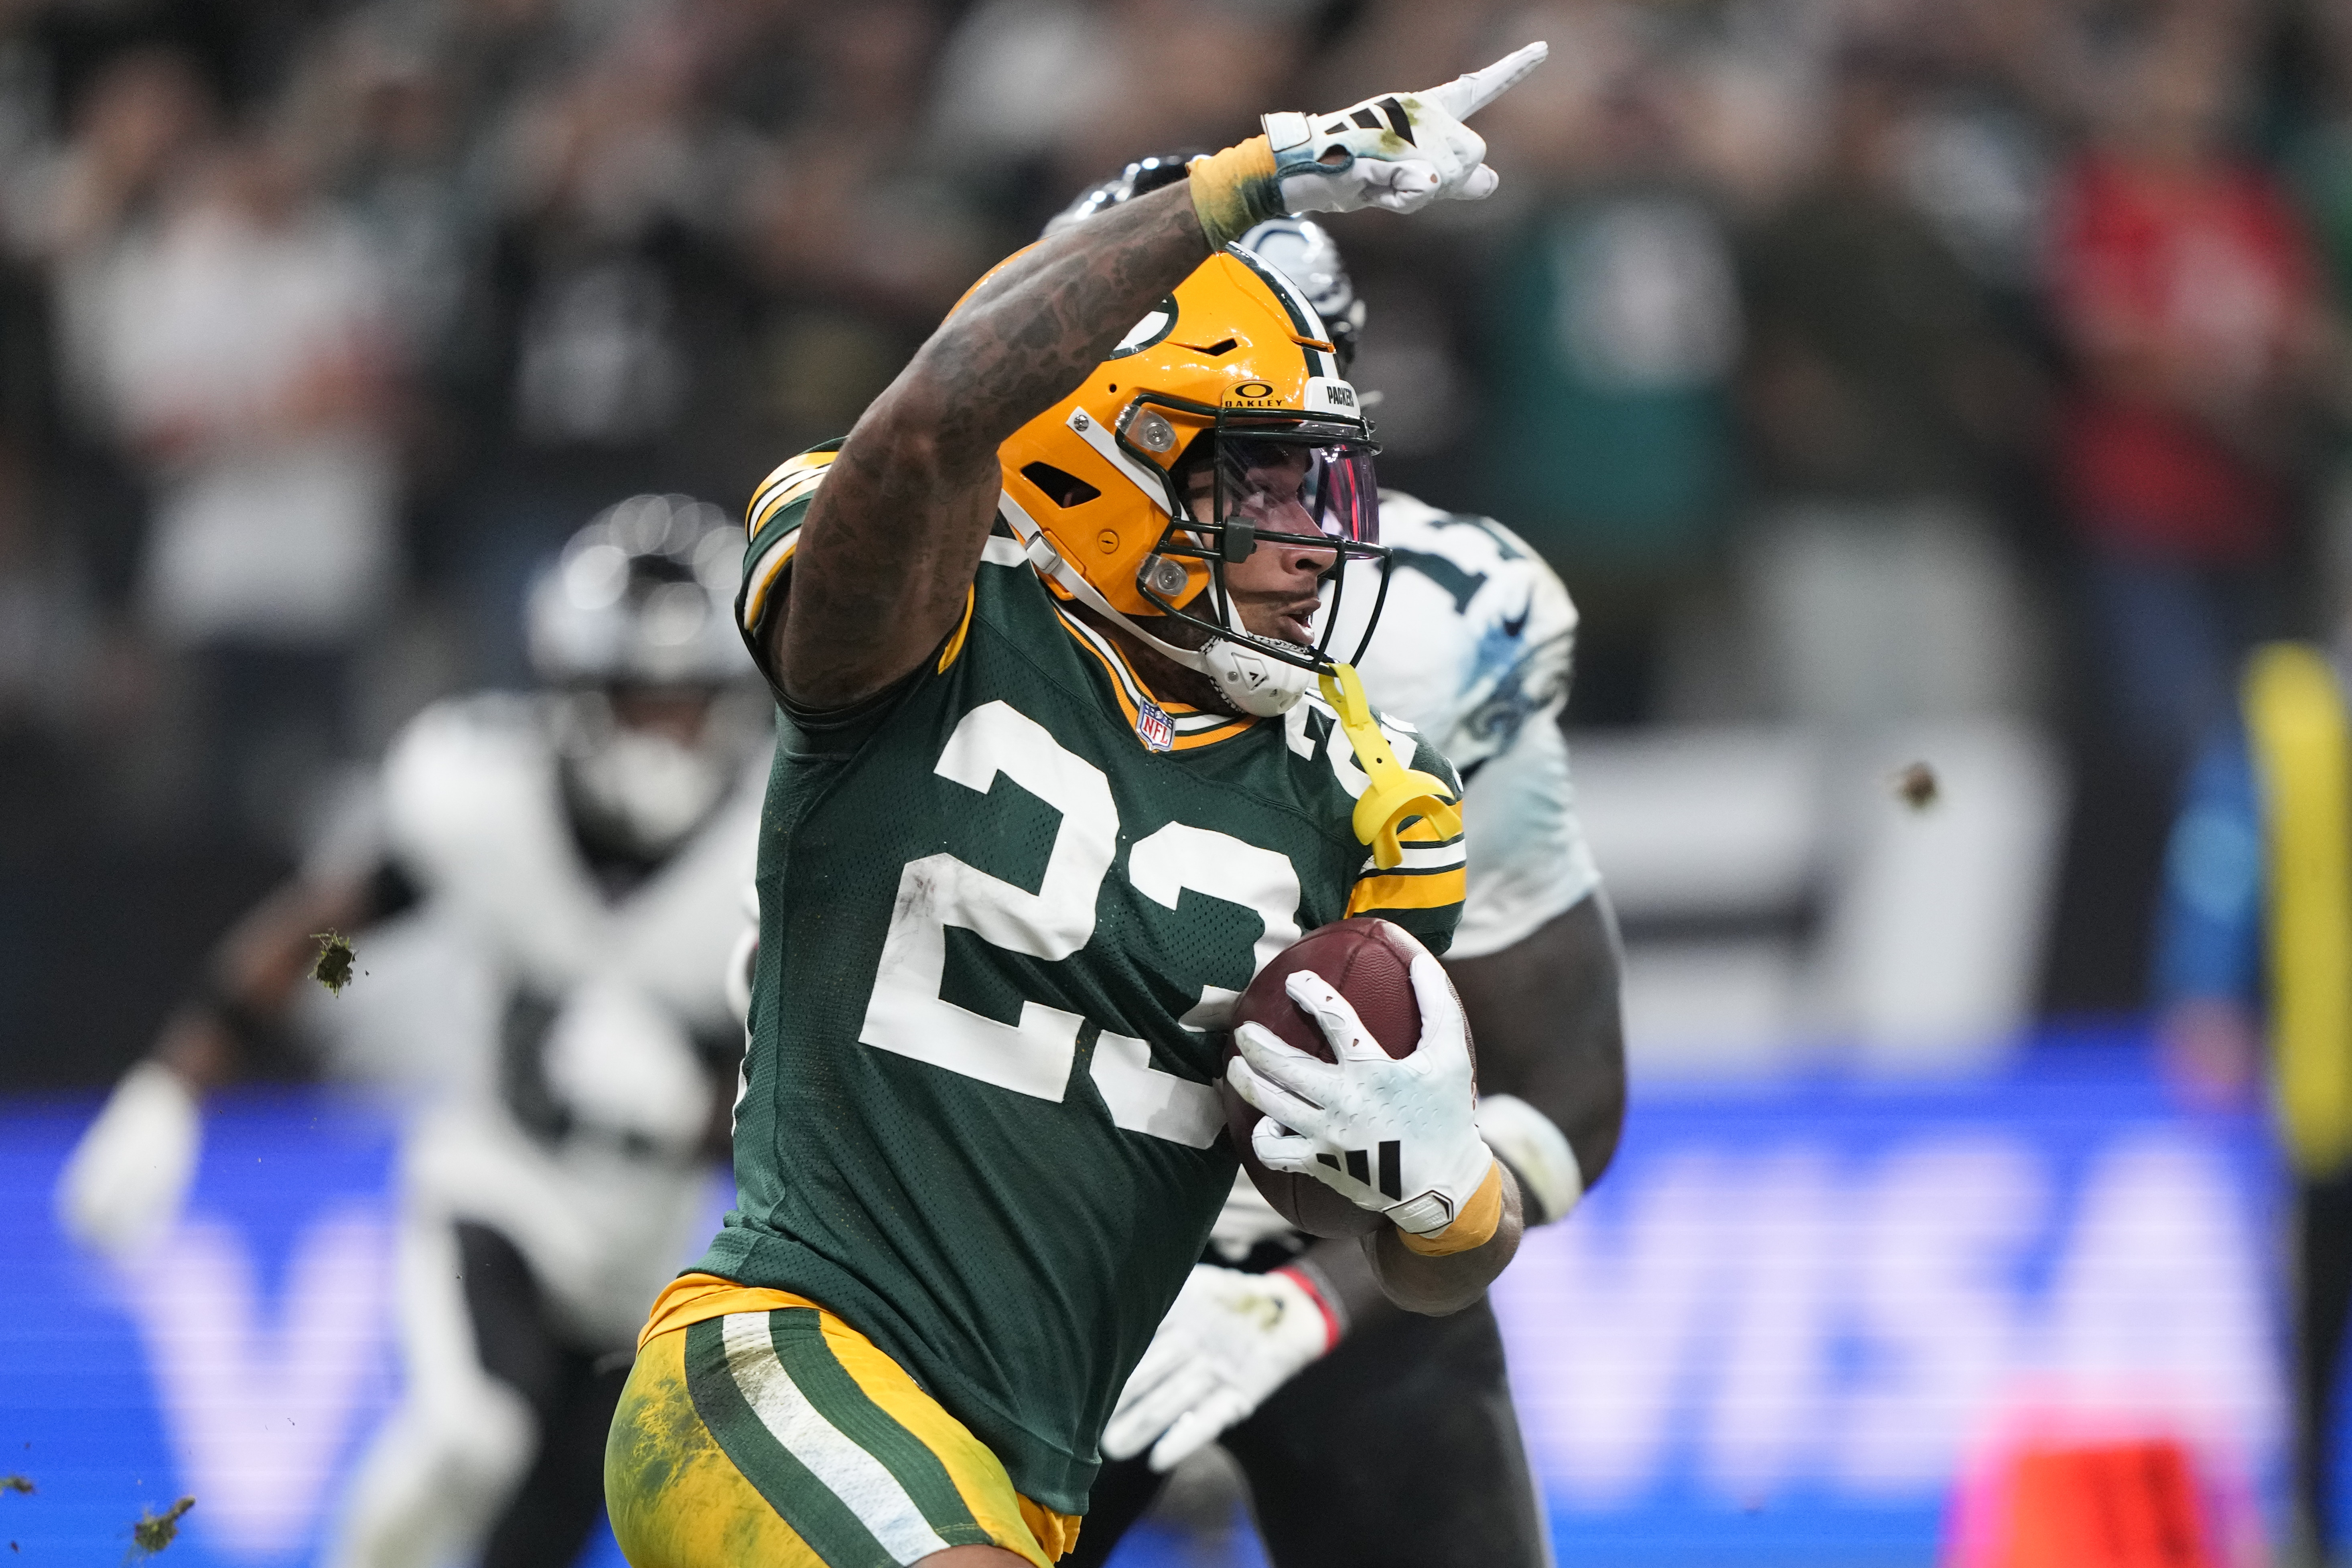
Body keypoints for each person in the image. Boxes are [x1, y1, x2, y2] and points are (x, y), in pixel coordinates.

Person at [601, 46, 1550, 1568]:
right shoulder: (935, 621)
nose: (1313, 539)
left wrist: (1450, 1194)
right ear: (1108, 456)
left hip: (1028, 1475)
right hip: (783, 1361)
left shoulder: (1369, 799)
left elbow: (1394, 1248)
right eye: (1262, 482)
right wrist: (1245, 181)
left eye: (1320, 489)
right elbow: (931, 424)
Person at [1038, 173, 1625, 1568]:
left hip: (1334, 1264)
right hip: (1016, 1265)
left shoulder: (1432, 636)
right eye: (1195, 445)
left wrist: (1304, 1301)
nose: (1266, 511)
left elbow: (1571, 1087)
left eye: (1277, 451)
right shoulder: (936, 609)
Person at [55, 494, 770, 1568]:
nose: (661, 729)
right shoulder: (487, 794)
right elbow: (328, 939)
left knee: (548, 1535)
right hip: (496, 1196)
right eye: (636, 699)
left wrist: (692, 1104)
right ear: (574, 691)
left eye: (686, 702)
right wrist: (175, 1082)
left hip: (652, 1260)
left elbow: (820, 1111)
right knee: (470, 1437)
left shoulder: (771, 847)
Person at [2153, 631, 2352, 1568]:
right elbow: (2223, 853)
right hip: (2325, 1084)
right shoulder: (2290, 711)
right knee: (2314, 1314)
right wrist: (2207, 983)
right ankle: (2305, 1517)